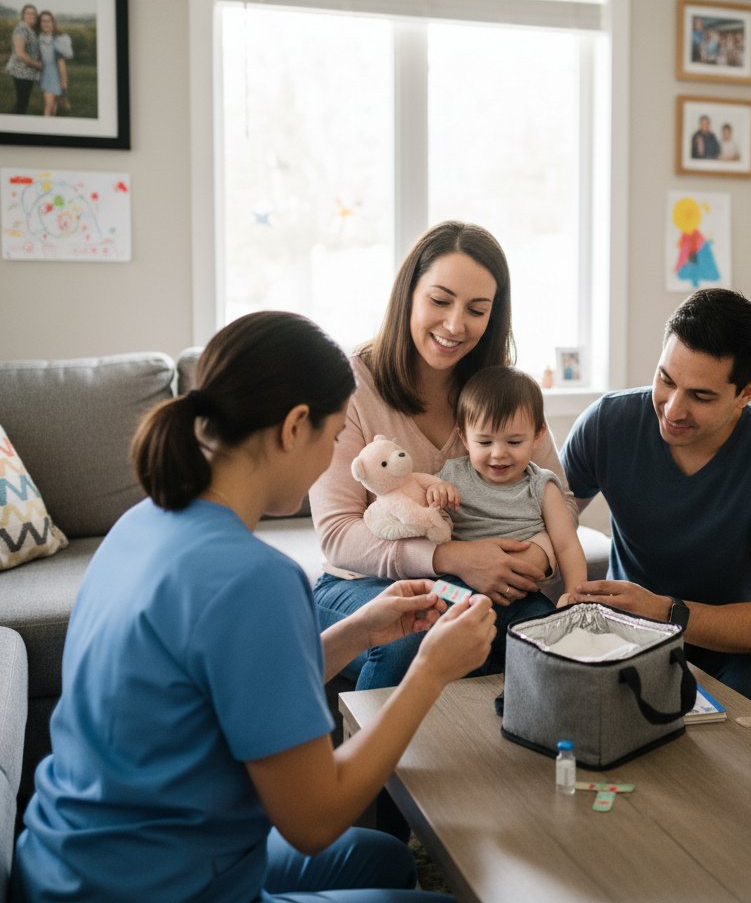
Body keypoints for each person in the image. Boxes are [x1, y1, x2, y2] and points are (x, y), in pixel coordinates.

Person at [11, 310, 497, 903]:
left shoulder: (140, 523)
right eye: (335, 434)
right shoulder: (255, 579)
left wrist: (358, 631)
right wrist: (429, 669)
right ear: (295, 426)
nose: (334, 461)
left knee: (384, 858)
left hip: (64, 864)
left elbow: (228, 685)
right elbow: (314, 821)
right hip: (153, 887)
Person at [310, 221, 576, 691]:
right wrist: (450, 556)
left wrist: (538, 554)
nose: (456, 325)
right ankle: (370, 764)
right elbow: (336, 534)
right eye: (439, 301)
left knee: (534, 637)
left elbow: (557, 495)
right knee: (417, 630)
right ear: (408, 294)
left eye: (477, 310)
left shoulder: (501, 392)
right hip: (356, 584)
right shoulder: (351, 384)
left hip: (470, 590)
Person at [560, 288, 751, 730]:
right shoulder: (608, 423)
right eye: (666, 379)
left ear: (747, 392)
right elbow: (548, 519)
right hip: (627, 633)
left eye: (701, 396)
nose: (673, 409)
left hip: (741, 648)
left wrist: (665, 611)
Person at [428, 365, 588, 606]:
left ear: (537, 436)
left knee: (542, 632)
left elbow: (566, 545)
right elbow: (423, 515)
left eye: (514, 442)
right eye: (484, 441)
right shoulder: (451, 475)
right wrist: (433, 492)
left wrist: (575, 595)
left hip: (521, 594)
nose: (499, 453)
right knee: (434, 607)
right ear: (464, 438)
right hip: (459, 588)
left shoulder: (542, 486)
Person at [4, 3, 42, 114]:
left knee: (23, 101)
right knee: (22, 102)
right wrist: (38, 66)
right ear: (23, 15)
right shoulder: (21, 29)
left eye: (34, 14)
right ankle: (13, 124)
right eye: (28, 13)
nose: (31, 16)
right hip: (21, 72)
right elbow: (20, 54)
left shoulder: (29, 29)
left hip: (27, 72)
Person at [37, 10, 71, 117]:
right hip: (44, 75)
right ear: (40, 24)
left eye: (49, 21)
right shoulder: (40, 39)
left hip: (54, 76)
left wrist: (64, 84)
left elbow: (61, 65)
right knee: (50, 104)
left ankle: (48, 124)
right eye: (43, 21)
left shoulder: (57, 41)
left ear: (53, 23)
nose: (46, 23)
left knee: (50, 104)